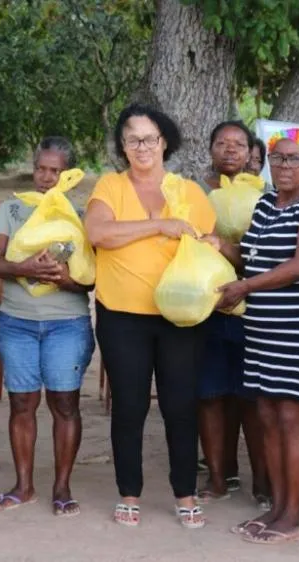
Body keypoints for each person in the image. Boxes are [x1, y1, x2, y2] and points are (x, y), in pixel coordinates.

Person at [85, 104, 214, 529]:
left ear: (165, 143)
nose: (142, 146)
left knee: (180, 404)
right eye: (132, 138)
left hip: (179, 314)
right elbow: (99, 233)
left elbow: (208, 242)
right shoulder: (110, 186)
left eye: (150, 138)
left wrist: (205, 242)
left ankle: (185, 492)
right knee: (129, 405)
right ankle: (129, 492)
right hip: (122, 315)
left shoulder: (189, 192)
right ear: (122, 146)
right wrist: (159, 226)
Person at [218, 128, 299, 544]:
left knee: (292, 417)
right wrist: (217, 245)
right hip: (262, 326)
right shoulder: (267, 203)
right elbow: (252, 258)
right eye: (277, 158)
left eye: (295, 159)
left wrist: (244, 289)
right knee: (267, 415)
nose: (284, 166)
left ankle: (295, 516)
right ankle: (276, 508)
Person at [0, 137, 94, 516]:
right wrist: (26, 269)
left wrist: (66, 280)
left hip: (67, 323)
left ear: (70, 176)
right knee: (22, 403)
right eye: (41, 168)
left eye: (56, 170)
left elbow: (93, 280)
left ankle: (62, 487)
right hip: (17, 322)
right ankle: (24, 485)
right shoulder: (12, 210)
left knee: (65, 403)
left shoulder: (79, 216)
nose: (47, 177)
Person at [194, 120, 270, 508]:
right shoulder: (194, 194)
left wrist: (229, 253)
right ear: (210, 149)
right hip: (205, 310)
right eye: (221, 142)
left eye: (238, 144)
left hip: (253, 313)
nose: (229, 150)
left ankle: (262, 482)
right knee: (209, 396)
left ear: (250, 154)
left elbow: (272, 259)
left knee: (252, 401)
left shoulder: (268, 198)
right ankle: (219, 479)